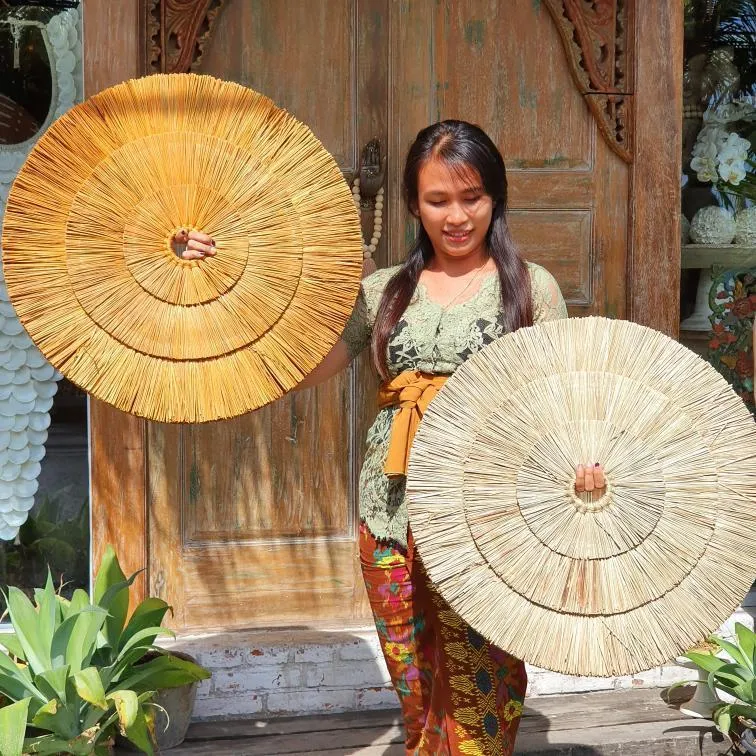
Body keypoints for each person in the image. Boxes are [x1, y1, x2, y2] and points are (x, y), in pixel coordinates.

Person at [179, 120, 605, 755]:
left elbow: (566, 400)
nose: (457, 216)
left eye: (473, 198)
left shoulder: (530, 289)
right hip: (389, 512)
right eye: (438, 200)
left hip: (491, 519)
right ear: (413, 204)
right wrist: (222, 273)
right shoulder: (383, 293)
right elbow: (295, 361)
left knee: (484, 688)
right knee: (414, 684)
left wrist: (584, 468)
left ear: (496, 199)